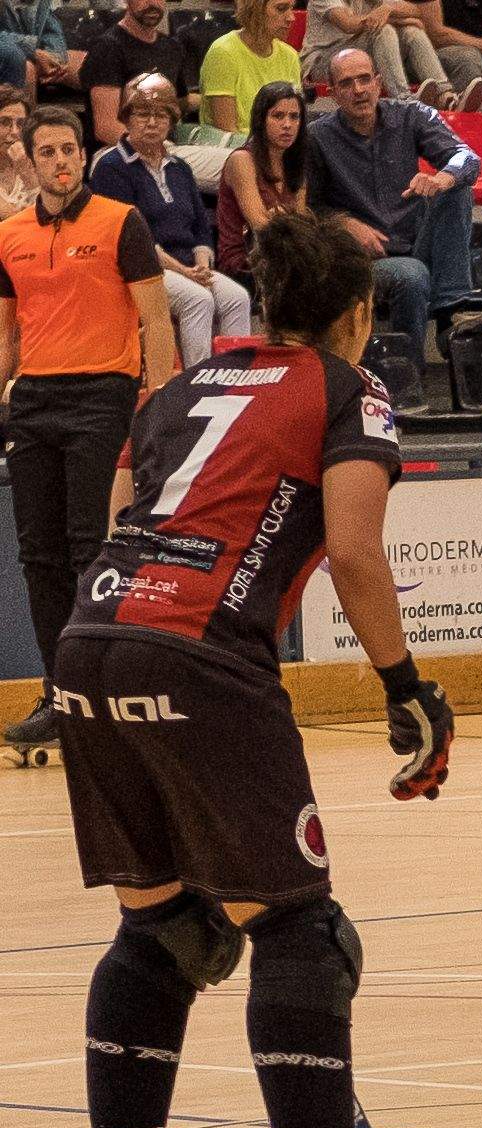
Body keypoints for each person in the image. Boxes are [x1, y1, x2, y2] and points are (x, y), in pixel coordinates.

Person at [56, 209, 457, 1128]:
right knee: (298, 929)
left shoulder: (177, 384)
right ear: (359, 314)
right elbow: (359, 551)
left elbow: (118, 521)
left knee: (165, 925)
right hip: (199, 651)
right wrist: (405, 687)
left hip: (91, 639)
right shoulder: (348, 390)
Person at [0, 106, 176, 760]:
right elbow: (8, 333)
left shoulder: (119, 221)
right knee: (36, 555)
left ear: (81, 152)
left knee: (86, 546)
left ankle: (97, 691)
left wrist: (158, 403)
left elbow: (157, 321)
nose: (60, 162)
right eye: (46, 152)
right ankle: (59, 694)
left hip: (103, 392)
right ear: (32, 158)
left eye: (69, 149)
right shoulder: (9, 233)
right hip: (36, 399)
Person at [306, 48, 482, 358]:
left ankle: (452, 311)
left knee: (456, 189)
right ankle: (409, 378)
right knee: (411, 274)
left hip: (417, 241)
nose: (359, 90)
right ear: (332, 93)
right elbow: (308, 208)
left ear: (378, 83)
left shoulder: (412, 115)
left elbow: (468, 158)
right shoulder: (317, 137)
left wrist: (441, 178)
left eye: (365, 79)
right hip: (365, 257)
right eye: (347, 83)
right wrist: (345, 224)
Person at [90, 75, 254, 370]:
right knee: (198, 300)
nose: (152, 122)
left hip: (187, 266)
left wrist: (202, 263)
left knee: (237, 297)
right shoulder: (111, 166)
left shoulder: (180, 168)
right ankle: (195, 387)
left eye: (161, 114)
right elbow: (131, 238)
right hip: (141, 267)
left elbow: (201, 230)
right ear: (126, 119)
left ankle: (233, 382)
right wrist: (186, 272)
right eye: (142, 114)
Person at [81, 0, 233, 190]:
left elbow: (180, 103)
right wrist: (159, 146)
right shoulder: (108, 48)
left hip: (168, 139)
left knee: (254, 150)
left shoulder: (170, 47)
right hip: (118, 149)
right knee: (239, 165)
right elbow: (106, 127)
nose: (153, 3)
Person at [302, 0, 481, 112]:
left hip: (358, 58)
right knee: (384, 30)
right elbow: (349, 24)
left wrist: (388, 9)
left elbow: (415, 11)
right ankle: (403, 99)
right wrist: (391, 17)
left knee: (411, 31)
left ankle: (446, 96)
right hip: (323, 63)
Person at [216, 81, 308, 284]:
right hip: (245, 263)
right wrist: (285, 223)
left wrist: (282, 220)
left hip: (288, 257)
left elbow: (303, 226)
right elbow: (261, 226)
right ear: (261, 120)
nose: (287, 125)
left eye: (294, 117)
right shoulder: (242, 160)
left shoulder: (297, 163)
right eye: (278, 116)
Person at [198, 0, 303, 134]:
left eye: (291, 8)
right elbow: (226, 132)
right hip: (235, 149)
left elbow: (295, 122)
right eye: (281, 9)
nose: (291, 18)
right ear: (255, 11)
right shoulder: (223, 52)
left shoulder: (290, 56)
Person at [0, 0, 71, 95]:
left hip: (28, 53)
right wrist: (32, 52)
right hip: (12, 56)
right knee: (27, 68)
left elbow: (51, 29)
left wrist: (56, 56)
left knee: (79, 63)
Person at [0, 86, 34, 214]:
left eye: (21, 124)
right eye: (4, 122)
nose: (15, 132)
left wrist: (26, 172)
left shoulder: (37, 163)